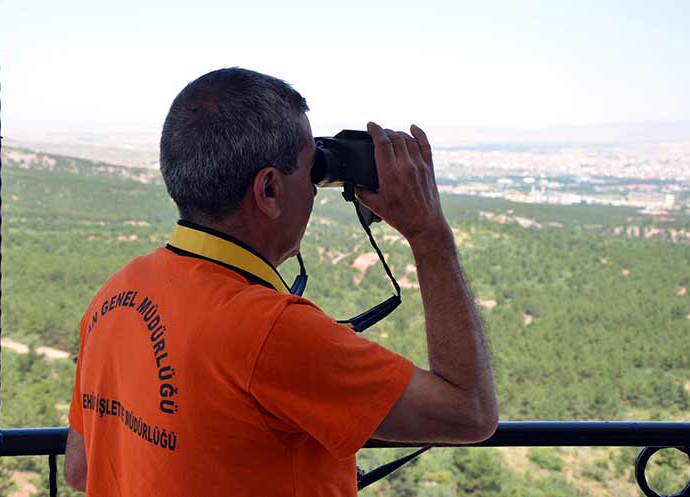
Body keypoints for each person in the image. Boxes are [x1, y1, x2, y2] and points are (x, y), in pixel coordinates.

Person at [64, 67, 497, 497]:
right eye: (311, 171)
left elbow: (81, 470)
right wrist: (430, 234)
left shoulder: (117, 294)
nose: (313, 191)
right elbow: (470, 412)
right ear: (269, 190)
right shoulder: (271, 331)